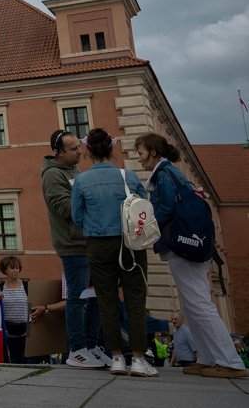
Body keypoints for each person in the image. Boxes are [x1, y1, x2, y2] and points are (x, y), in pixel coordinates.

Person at [135, 132, 247, 379]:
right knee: (192, 305)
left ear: (153, 152)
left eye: (141, 153)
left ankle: (230, 361)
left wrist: (142, 223)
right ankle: (207, 357)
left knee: (199, 304)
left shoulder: (164, 175)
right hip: (190, 245)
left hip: (181, 246)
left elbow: (166, 210)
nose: (139, 159)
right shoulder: (172, 174)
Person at [71, 127, 155, 377]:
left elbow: (77, 216)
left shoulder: (82, 180)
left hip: (98, 245)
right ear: (111, 148)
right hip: (129, 244)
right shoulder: (127, 176)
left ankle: (117, 357)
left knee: (106, 302)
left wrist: (95, 226)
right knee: (135, 301)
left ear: (88, 151)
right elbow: (144, 208)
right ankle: (139, 359)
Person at [40, 129, 108, 369]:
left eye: (79, 147)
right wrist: (94, 200)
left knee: (95, 297)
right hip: (72, 245)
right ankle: (77, 349)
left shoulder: (74, 171)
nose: (80, 151)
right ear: (59, 152)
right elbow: (63, 207)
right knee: (78, 298)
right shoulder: (52, 175)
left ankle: (91, 346)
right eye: (73, 149)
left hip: (87, 241)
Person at [0, 256, 29, 364]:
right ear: (5, 270)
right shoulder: (0, 288)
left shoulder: (26, 286)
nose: (16, 270)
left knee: (26, 360)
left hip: (26, 331)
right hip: (8, 331)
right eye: (12, 268)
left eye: (17, 268)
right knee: (14, 360)